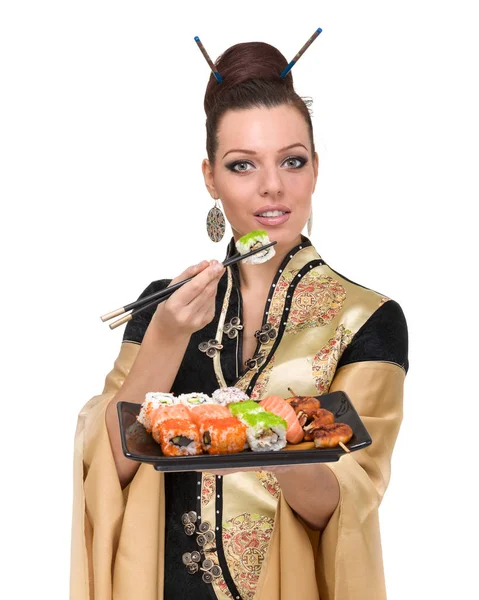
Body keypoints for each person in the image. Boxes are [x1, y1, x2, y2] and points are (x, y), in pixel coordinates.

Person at [70, 39, 409, 600]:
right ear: (210, 177)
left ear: (316, 169)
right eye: (242, 165)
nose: (271, 186)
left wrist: (259, 439)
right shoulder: (166, 304)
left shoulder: (367, 318)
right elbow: (110, 466)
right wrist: (169, 335)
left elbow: (346, 499)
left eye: (292, 161)